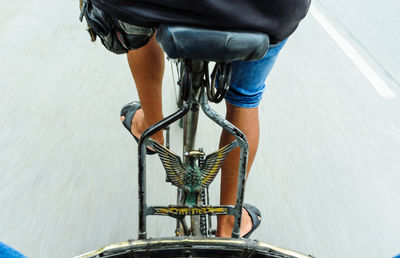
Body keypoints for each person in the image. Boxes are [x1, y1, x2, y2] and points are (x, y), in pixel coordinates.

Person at [82, 0, 310, 238]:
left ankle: (153, 129)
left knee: (138, 30)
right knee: (246, 96)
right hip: (262, 11)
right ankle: (228, 223)